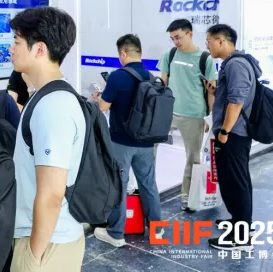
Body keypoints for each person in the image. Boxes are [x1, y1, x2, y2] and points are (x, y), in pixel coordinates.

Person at [9, 7, 86, 272]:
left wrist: (33, 255)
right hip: (50, 237)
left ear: (39, 49)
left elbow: (52, 193)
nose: (11, 49)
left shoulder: (53, 106)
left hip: (47, 243)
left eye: (17, 42)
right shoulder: (49, 96)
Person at [93, 34, 163, 247]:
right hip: (146, 142)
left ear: (123, 53)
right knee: (148, 185)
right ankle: (157, 231)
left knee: (119, 186)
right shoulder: (151, 77)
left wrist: (99, 98)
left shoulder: (117, 77)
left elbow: (103, 107)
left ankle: (116, 233)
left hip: (121, 142)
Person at [205, 24, 260, 251]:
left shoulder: (236, 64)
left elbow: (236, 102)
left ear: (221, 40)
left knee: (234, 182)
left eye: (209, 41)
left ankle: (240, 238)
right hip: (236, 133)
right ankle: (241, 223)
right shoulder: (235, 63)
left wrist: (224, 132)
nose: (207, 46)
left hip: (233, 134)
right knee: (238, 180)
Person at [157, 19, 217, 212]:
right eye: (172, 38)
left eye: (178, 37)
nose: (176, 41)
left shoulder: (205, 59)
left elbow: (211, 91)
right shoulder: (170, 54)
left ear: (190, 34)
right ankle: (147, 190)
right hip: (169, 112)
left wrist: (210, 117)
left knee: (193, 158)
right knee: (149, 148)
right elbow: (163, 82)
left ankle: (188, 196)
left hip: (194, 114)